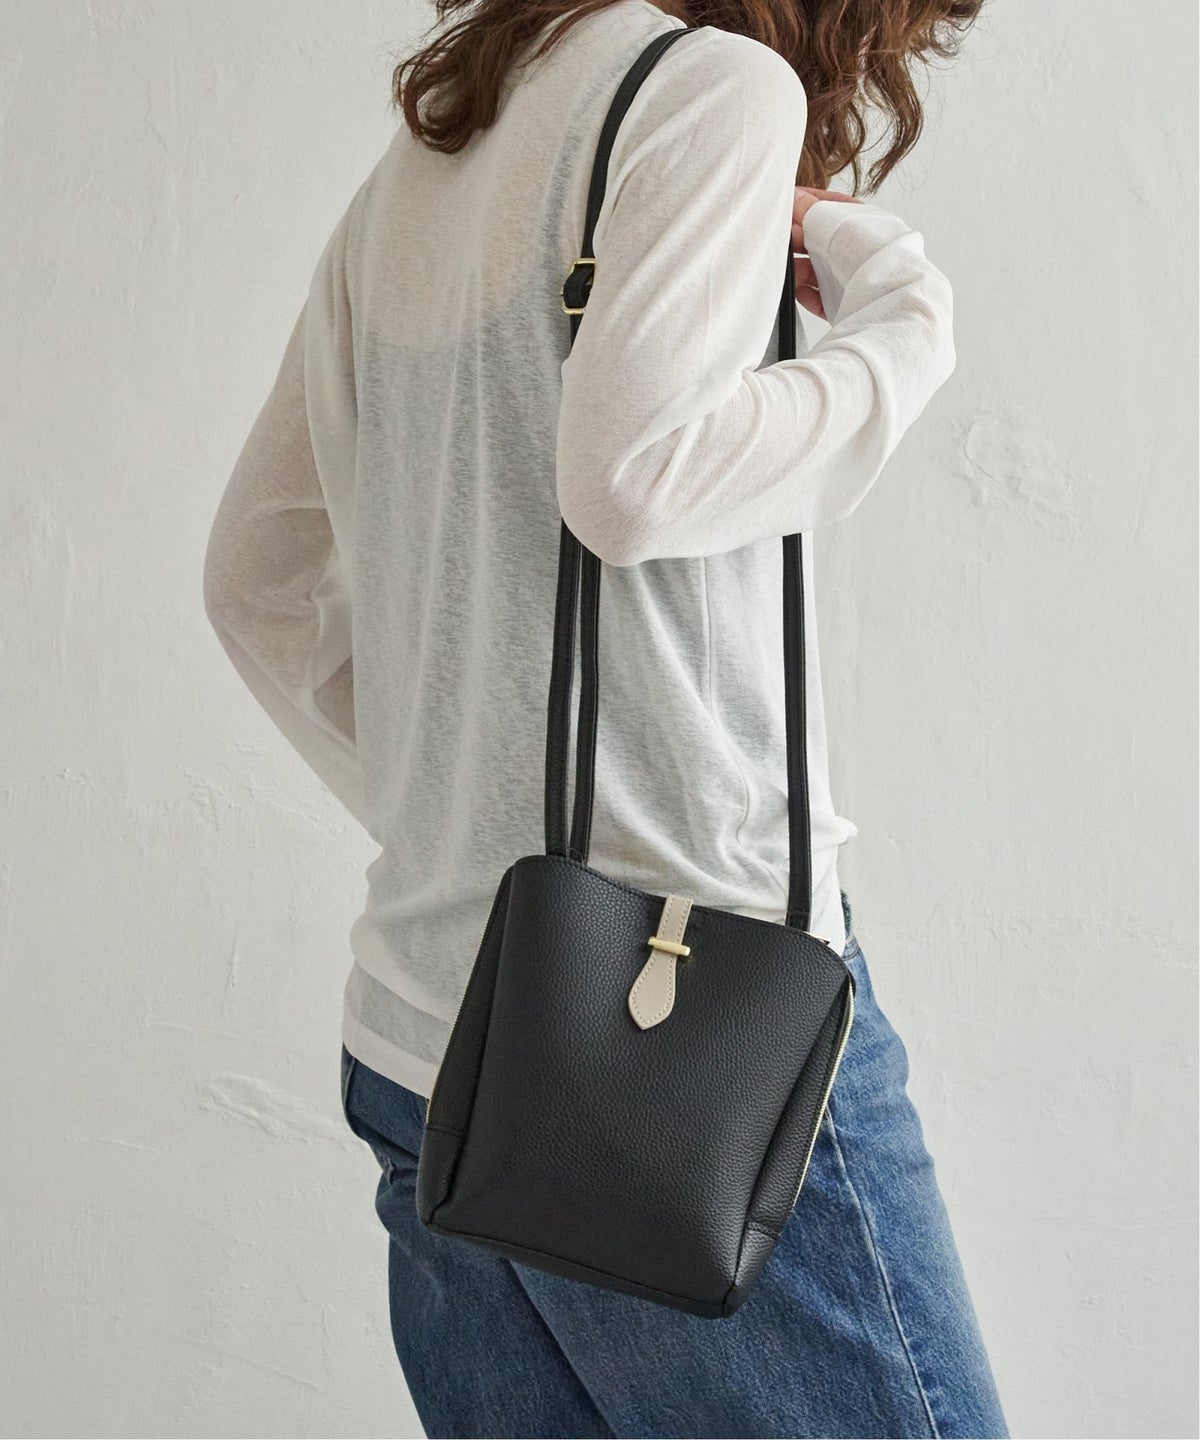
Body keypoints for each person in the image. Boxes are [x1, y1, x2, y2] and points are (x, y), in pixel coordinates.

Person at [202, 0, 1009, 1434]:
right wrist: (900, 322)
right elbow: (631, 482)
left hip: (424, 1040)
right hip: (683, 1033)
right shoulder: (713, 91)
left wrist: (456, 811)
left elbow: (255, 580)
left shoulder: (432, 154)